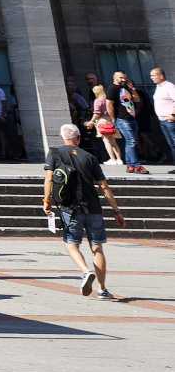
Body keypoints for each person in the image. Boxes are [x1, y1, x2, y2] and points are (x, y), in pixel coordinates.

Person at [45, 120, 125, 299]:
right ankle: (102, 289)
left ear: (63, 138)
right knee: (97, 247)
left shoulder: (55, 153)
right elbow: (104, 186)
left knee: (71, 243)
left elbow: (49, 179)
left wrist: (46, 200)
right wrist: (116, 211)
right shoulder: (89, 157)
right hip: (93, 207)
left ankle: (85, 271)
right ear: (78, 139)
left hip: (69, 207)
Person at [154, 67, 175, 173]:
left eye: (154, 75)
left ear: (161, 76)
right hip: (162, 120)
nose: (152, 78)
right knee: (171, 144)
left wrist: (173, 115)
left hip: (170, 120)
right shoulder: (159, 87)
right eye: (151, 75)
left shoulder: (169, 86)